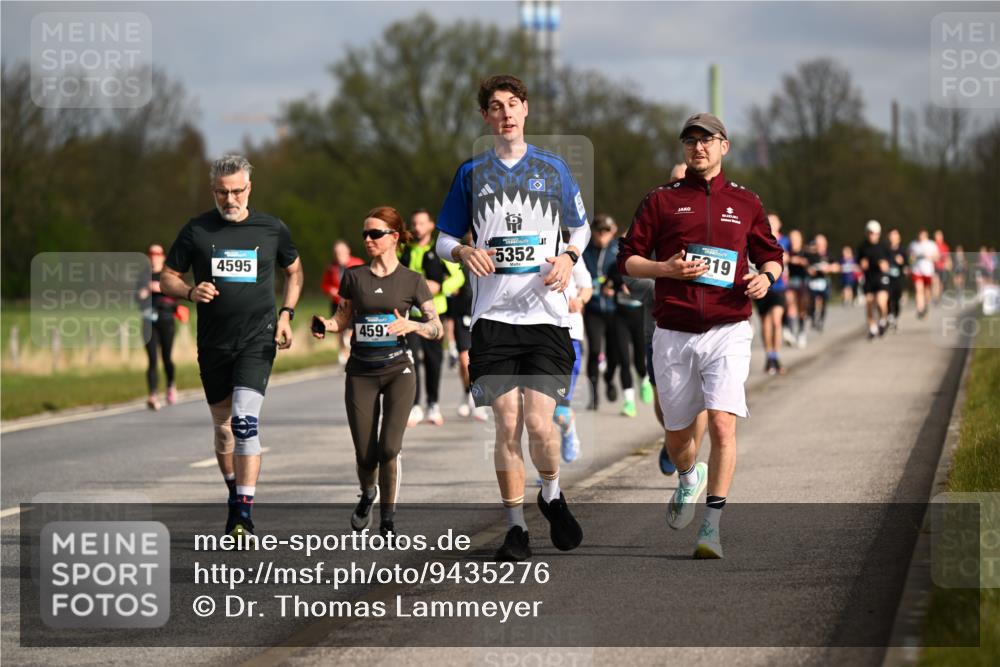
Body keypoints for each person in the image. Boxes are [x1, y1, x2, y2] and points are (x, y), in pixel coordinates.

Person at [435, 74, 590, 561]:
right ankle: (516, 527)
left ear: (526, 110)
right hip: (493, 318)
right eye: (496, 106)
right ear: (486, 116)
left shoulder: (553, 168)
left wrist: (568, 257)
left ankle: (551, 493)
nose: (505, 113)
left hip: (545, 318)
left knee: (541, 426)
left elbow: (581, 229)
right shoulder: (471, 173)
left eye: (513, 104)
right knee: (506, 426)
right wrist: (463, 252)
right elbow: (443, 239)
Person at [618, 112, 784, 559]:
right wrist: (664, 269)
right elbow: (627, 259)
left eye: (707, 140)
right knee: (677, 436)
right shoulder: (661, 200)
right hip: (673, 331)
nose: (698, 147)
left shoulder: (746, 202)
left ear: (724, 146)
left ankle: (711, 525)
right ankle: (688, 477)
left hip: (728, 328)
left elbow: (772, 255)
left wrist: (766, 277)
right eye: (690, 141)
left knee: (723, 424)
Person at [160, 155, 303, 537]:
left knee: (244, 421)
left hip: (257, 338)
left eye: (237, 191)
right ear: (213, 191)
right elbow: (167, 277)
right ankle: (234, 493)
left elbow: (294, 271)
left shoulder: (271, 228)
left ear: (249, 189)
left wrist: (286, 314)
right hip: (214, 344)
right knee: (224, 429)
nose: (230, 199)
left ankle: (243, 512)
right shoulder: (197, 230)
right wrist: (190, 291)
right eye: (222, 192)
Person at [312, 207, 442, 540]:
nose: (368, 240)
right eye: (365, 234)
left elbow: (436, 327)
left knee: (389, 449)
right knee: (366, 454)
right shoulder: (354, 276)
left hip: (399, 370)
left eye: (375, 234)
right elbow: (343, 317)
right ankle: (368, 492)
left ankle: (388, 519)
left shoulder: (412, 280)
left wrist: (412, 325)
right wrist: (326, 325)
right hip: (361, 372)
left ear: (394, 238)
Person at [401, 209, 463, 427]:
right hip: (409, 315)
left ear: (430, 225)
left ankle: (433, 404)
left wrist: (440, 287)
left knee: (432, 360)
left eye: (421, 223)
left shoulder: (440, 250)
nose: (417, 228)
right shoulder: (404, 250)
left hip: (434, 315)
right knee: (410, 359)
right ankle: (414, 406)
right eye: (414, 223)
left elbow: (458, 277)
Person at [583, 215, 624, 411]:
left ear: (612, 232)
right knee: (594, 350)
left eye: (606, 231)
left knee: (614, 354)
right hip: (593, 309)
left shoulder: (618, 250)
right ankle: (594, 397)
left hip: (614, 310)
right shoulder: (584, 250)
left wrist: (615, 287)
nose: (602, 235)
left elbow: (625, 275)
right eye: (599, 231)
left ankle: (609, 378)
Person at [554, 258, 593, 462]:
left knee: (558, 409)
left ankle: (567, 424)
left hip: (569, 333)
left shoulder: (569, 252)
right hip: (533, 332)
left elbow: (587, 286)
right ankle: (547, 471)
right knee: (535, 412)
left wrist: (580, 300)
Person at [137, 244, 179, 410]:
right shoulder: (143, 276)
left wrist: (159, 288)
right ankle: (153, 395)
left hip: (166, 320)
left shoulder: (168, 275)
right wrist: (143, 292)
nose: (154, 257)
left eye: (157, 254)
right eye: (151, 254)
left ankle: (170, 385)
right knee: (152, 359)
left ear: (163, 256)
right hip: (149, 320)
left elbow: (177, 295)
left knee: (167, 357)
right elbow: (136, 298)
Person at [320, 240, 365, 365]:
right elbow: (324, 285)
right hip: (337, 302)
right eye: (336, 252)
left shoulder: (357, 263)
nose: (338, 255)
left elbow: (365, 282)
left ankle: (352, 347)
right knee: (338, 328)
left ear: (348, 251)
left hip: (354, 302)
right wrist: (331, 290)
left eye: (341, 252)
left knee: (351, 327)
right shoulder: (331, 268)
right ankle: (343, 352)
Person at [754, 213, 789, 374]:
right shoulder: (760, 238)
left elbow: (793, 256)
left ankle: (776, 355)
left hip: (779, 286)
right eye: (769, 221)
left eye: (774, 221)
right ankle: (769, 357)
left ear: (779, 224)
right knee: (766, 322)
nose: (772, 223)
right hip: (762, 285)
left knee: (776, 320)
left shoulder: (785, 241)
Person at [857, 220, 892, 339]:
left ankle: (883, 320)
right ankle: (872, 328)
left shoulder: (884, 246)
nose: (872, 236)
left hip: (881, 277)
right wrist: (862, 264)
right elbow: (858, 261)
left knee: (881, 302)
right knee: (869, 303)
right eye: (870, 233)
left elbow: (891, 261)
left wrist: (886, 265)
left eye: (875, 233)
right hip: (869, 278)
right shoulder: (863, 247)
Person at [785, 229, 810, 349]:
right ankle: (790, 331)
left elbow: (812, 264)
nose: (794, 241)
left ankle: (801, 332)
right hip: (790, 282)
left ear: (801, 239)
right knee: (789, 304)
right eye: (792, 238)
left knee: (801, 308)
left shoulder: (805, 252)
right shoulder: (787, 252)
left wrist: (804, 262)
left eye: (796, 238)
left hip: (803, 282)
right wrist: (790, 260)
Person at [806, 234, 834, 332]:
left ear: (825, 244)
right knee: (813, 300)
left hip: (824, 281)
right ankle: (813, 317)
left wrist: (829, 268)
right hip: (813, 282)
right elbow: (805, 264)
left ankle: (821, 320)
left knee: (823, 302)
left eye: (821, 243)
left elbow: (837, 266)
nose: (819, 246)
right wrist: (809, 269)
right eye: (817, 243)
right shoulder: (810, 255)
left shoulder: (828, 255)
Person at [908, 229, 937, 319]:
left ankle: (925, 306)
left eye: (923, 235)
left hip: (928, 271)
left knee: (927, 291)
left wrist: (930, 257)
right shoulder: (913, 244)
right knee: (918, 290)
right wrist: (912, 258)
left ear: (926, 236)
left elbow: (937, 256)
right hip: (917, 270)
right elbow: (909, 257)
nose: (921, 237)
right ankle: (920, 309)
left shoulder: (931, 244)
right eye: (920, 235)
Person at [886, 228, 909, 331]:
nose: (893, 237)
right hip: (887, 278)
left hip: (898, 279)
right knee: (887, 297)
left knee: (896, 299)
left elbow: (907, 266)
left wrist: (903, 264)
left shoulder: (903, 250)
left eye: (895, 235)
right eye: (891, 235)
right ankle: (889, 315)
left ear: (899, 237)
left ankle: (895, 317)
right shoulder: (885, 249)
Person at [933, 229, 952, 301]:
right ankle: (935, 298)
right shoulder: (933, 245)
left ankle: (940, 298)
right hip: (934, 267)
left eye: (940, 235)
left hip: (943, 268)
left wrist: (949, 264)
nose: (939, 237)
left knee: (941, 284)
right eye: (937, 235)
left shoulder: (945, 246)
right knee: (936, 282)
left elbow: (948, 257)